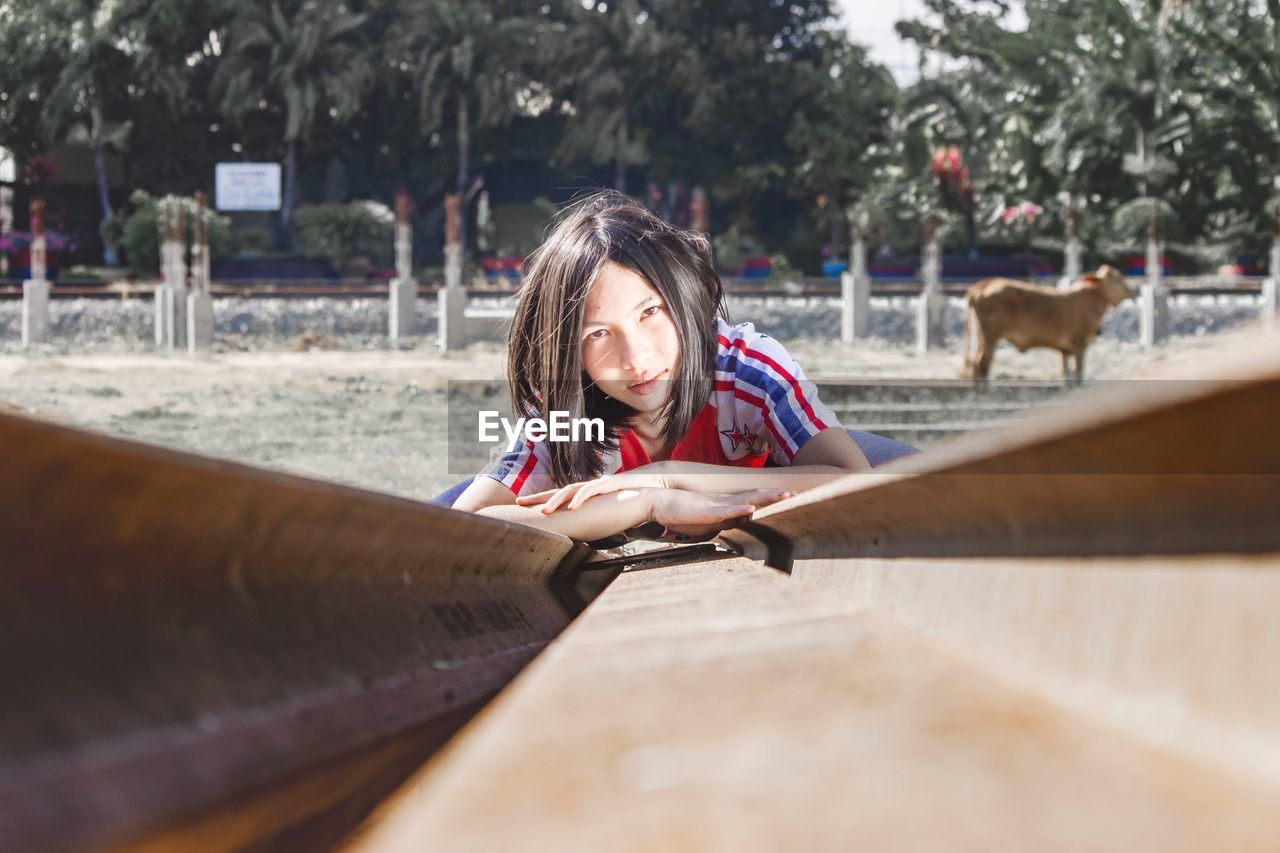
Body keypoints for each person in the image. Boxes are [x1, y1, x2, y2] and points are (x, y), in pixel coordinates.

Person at [451, 190, 883, 543]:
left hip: (804, 463)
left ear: (684, 299)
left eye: (650, 312)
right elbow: (464, 527)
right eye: (597, 334)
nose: (636, 359)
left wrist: (670, 477)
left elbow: (854, 481)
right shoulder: (564, 409)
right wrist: (644, 501)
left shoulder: (748, 369)